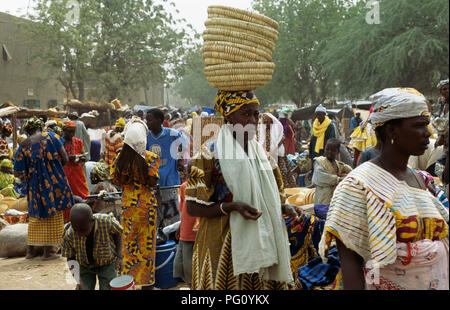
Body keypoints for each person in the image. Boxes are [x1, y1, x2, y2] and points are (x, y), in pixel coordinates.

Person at [319, 88, 449, 290]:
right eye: (419, 125)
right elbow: (351, 262)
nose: (428, 133)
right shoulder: (357, 186)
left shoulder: (421, 180)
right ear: (391, 131)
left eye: (427, 124)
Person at [186, 90, 303, 290]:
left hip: (263, 243)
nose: (253, 120)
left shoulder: (263, 156)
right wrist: (230, 207)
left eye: (256, 114)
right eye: (245, 114)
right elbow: (192, 207)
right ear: (229, 116)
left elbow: (272, 198)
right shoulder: (208, 155)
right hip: (222, 247)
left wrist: (285, 208)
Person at [14, 116, 74, 260]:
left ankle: (30, 252)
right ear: (40, 128)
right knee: (54, 214)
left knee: (35, 215)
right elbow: (65, 158)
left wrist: (29, 175)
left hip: (34, 186)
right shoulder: (52, 137)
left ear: (28, 131)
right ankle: (48, 253)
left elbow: (17, 172)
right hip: (55, 183)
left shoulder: (23, 145)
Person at [110, 117, 160, 290]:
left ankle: (130, 282)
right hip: (147, 208)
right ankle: (147, 284)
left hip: (128, 207)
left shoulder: (120, 158)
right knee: (147, 246)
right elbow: (152, 182)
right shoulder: (151, 157)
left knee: (130, 245)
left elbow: (116, 181)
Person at [61, 203, 124, 290]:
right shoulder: (69, 234)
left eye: (83, 230)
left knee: (108, 288)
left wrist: (119, 256)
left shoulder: (106, 222)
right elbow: (70, 259)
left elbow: (119, 232)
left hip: (107, 264)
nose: (79, 234)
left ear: (92, 221)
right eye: (76, 230)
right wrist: (79, 281)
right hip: (85, 267)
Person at [146, 109, 188, 228]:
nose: (147, 123)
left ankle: (173, 238)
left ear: (159, 120)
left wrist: (179, 158)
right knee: (157, 215)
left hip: (170, 182)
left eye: (150, 120)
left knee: (172, 216)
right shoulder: (146, 137)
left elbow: (184, 143)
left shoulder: (172, 134)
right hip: (153, 183)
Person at [312, 139, 352, 220]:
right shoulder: (320, 162)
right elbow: (320, 177)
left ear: (338, 152)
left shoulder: (338, 164)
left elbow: (350, 170)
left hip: (334, 201)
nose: (329, 152)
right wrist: (339, 179)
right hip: (322, 202)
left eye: (333, 150)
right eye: (327, 149)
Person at [173, 166, 198, 286]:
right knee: (180, 266)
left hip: (196, 235)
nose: (189, 174)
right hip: (185, 233)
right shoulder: (184, 187)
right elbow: (183, 211)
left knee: (192, 269)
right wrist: (179, 228)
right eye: (188, 171)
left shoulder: (204, 188)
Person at [62, 121, 89, 222]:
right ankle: (68, 219)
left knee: (83, 194)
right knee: (67, 196)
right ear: (64, 131)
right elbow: (59, 158)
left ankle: (84, 217)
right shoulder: (59, 142)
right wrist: (71, 157)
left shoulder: (78, 142)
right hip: (64, 174)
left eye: (73, 132)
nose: (71, 134)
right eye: (69, 132)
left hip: (77, 174)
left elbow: (83, 156)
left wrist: (82, 158)